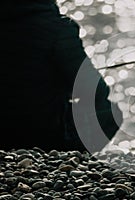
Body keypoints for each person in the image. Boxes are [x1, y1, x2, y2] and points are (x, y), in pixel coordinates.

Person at [1, 0, 122, 152]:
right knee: (110, 113)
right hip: (41, 135)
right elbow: (96, 90)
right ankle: (68, 158)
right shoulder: (58, 29)